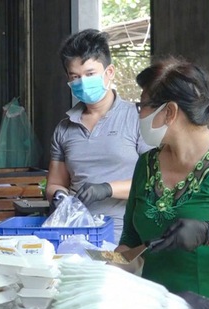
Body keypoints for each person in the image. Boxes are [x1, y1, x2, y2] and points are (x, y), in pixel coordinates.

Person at [117, 57, 209, 308]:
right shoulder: (146, 165)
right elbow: (130, 242)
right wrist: (97, 272)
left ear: (169, 112)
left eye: (142, 106)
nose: (139, 114)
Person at [45, 29, 151, 242]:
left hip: (126, 235)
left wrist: (107, 189)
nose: (82, 82)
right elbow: (55, 183)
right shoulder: (64, 128)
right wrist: (58, 196)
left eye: (90, 74)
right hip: (75, 233)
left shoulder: (138, 119)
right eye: (75, 77)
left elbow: (154, 182)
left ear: (109, 72)